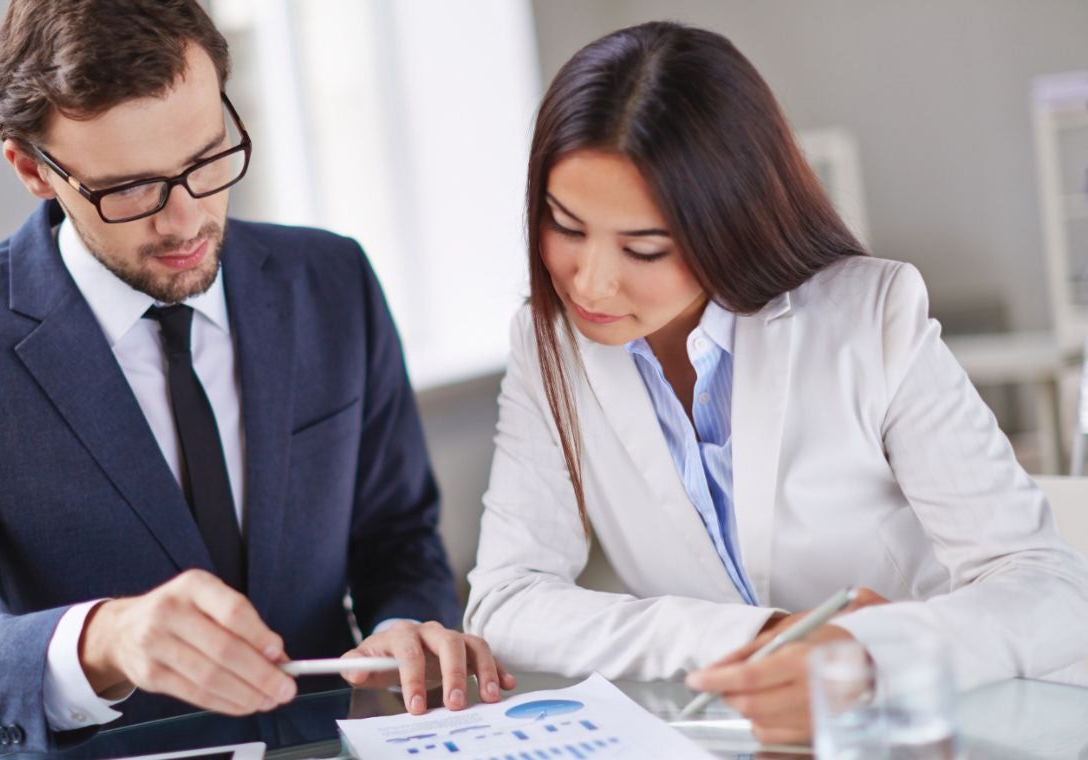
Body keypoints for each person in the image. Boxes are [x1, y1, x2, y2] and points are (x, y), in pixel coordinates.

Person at [0, 1, 511, 755]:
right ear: (32, 169)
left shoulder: (333, 281)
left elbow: (399, 539)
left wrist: (402, 626)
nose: (186, 221)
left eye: (206, 159)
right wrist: (103, 639)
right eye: (129, 188)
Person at [464, 20, 1088, 745]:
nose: (592, 281)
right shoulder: (548, 346)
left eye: (644, 247)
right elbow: (506, 602)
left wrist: (872, 657)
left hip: (946, 729)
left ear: (728, 223)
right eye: (565, 226)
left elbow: (1049, 590)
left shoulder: (871, 316)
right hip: (732, 736)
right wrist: (760, 636)